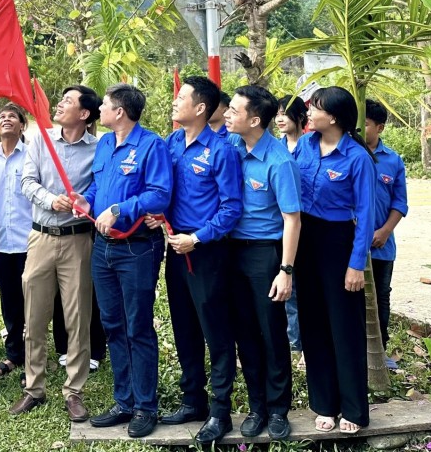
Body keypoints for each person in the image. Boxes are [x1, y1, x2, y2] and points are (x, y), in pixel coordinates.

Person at [82, 83, 172, 439]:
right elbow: (97, 186)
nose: (99, 110)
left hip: (137, 247)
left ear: (119, 112)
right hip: (103, 248)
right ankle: (124, 400)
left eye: (104, 105)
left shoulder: (152, 145)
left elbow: (160, 194)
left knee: (137, 326)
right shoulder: (105, 144)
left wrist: (120, 209)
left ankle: (146, 406)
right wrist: (85, 200)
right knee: (113, 325)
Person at [160, 76, 243, 445]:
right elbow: (160, 191)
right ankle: (192, 399)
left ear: (200, 108)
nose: (174, 102)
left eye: (181, 98)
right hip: (175, 250)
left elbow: (231, 208)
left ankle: (220, 410)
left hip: (206, 251)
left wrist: (197, 238)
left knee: (216, 332)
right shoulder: (171, 144)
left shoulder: (222, 150)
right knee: (184, 327)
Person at [12, 85, 101, 422]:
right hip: (41, 239)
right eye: (61, 100)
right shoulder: (40, 139)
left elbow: (99, 185)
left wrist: (84, 199)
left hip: (79, 241)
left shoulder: (99, 147)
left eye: (69, 102)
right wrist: (51, 199)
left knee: (78, 318)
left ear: (84, 114)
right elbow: (26, 182)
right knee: (34, 317)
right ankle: (34, 388)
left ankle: (74, 391)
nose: (61, 104)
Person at [295, 86, 375, 434]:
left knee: (344, 327)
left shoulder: (356, 157)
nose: (309, 112)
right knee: (313, 325)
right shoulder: (305, 146)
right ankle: (324, 404)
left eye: (317, 108)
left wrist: (356, 264)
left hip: (338, 242)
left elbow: (367, 214)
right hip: (304, 241)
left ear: (336, 118)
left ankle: (354, 409)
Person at [223, 86, 302, 440]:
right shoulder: (231, 148)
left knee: (271, 333)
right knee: (245, 332)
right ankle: (256, 407)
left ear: (255, 120)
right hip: (231, 251)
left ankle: (278, 408)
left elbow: (292, 220)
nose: (227, 114)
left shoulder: (279, 161)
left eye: (235, 110)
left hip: (264, 253)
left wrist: (285, 271)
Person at [0, 103, 31, 380]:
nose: (7, 120)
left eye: (13, 116)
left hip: (31, 241)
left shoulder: (34, 155)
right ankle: (15, 354)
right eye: (2, 117)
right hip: (2, 241)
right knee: (10, 300)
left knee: (32, 301)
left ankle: (34, 357)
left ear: (22, 125)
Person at [365, 98, 408, 370]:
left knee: (380, 296)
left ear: (379, 127)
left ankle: (380, 350)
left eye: (366, 125)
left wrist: (385, 230)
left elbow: (399, 203)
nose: (359, 130)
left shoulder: (392, 160)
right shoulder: (345, 154)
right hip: (348, 244)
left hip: (381, 244)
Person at [277, 94, 308, 355]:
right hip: (281, 228)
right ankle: (293, 342)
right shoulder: (275, 148)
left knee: (303, 289)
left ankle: (303, 343)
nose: (279, 119)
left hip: (306, 227)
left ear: (299, 117)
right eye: (276, 114)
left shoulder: (311, 146)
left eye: (284, 114)